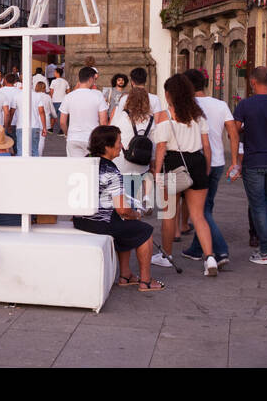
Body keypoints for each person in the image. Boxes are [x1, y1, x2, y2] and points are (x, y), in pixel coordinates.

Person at [74, 125, 164, 293]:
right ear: (107, 146)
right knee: (144, 231)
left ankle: (126, 275)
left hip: (81, 220)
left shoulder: (86, 161)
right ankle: (145, 281)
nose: (122, 146)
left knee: (123, 222)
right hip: (99, 223)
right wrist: (135, 214)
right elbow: (122, 209)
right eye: (119, 141)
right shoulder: (111, 170)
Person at [150, 74, 219, 275]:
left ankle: (166, 255)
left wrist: (156, 172)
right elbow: (207, 146)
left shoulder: (165, 116)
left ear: (169, 94)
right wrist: (206, 168)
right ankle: (210, 258)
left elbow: (161, 148)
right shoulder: (198, 115)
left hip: (172, 164)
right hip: (196, 163)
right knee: (198, 215)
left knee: (169, 214)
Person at [230, 67, 267, 264]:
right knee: (265, 203)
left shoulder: (245, 105)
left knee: (259, 205)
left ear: (253, 82)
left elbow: (234, 131)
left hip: (254, 160)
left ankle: (266, 251)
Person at [180, 68, 236, 265]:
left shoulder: (186, 105)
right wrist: (235, 162)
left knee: (201, 211)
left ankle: (220, 252)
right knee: (206, 206)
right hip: (218, 161)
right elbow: (233, 132)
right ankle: (197, 248)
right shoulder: (220, 104)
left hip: (196, 162)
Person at [110, 82, 161, 212]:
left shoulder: (122, 117)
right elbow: (153, 144)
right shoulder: (150, 120)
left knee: (125, 198)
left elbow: (112, 134)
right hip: (141, 163)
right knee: (136, 194)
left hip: (123, 161)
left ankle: (127, 216)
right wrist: (153, 163)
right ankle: (140, 208)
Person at [59, 66, 109, 158]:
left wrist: (67, 134)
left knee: (75, 168)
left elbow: (62, 122)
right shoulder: (98, 95)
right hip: (92, 138)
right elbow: (103, 122)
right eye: (94, 79)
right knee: (92, 168)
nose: (94, 81)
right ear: (90, 79)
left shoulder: (69, 96)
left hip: (73, 138)